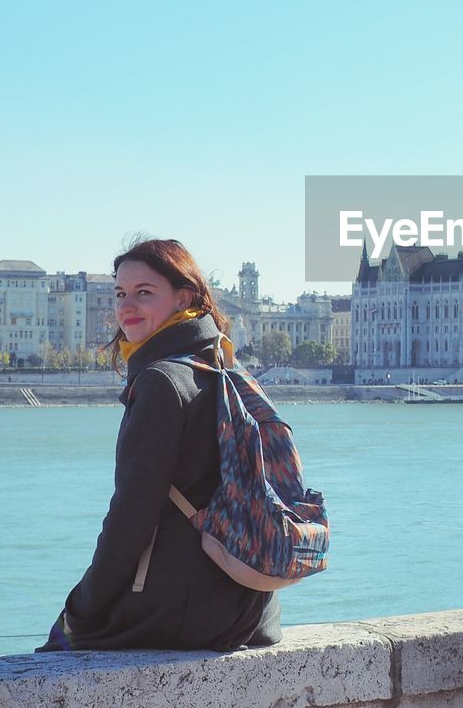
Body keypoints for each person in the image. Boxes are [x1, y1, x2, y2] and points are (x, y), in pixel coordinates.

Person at [38, 238, 281, 652]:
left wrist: (81, 607)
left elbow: (131, 518)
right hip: (254, 606)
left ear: (183, 297)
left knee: (58, 648)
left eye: (143, 293)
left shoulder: (161, 382)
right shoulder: (223, 364)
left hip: (187, 610)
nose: (125, 306)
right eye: (120, 294)